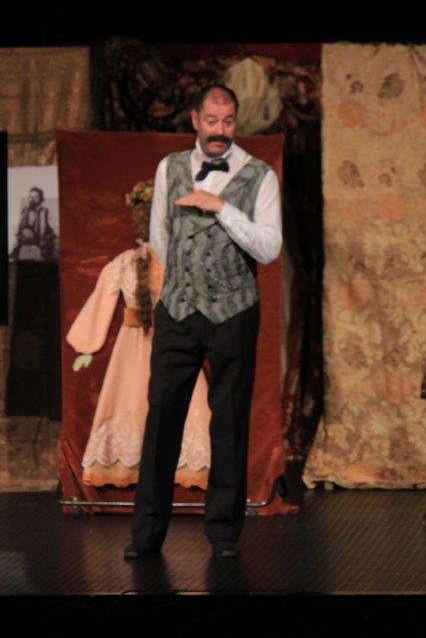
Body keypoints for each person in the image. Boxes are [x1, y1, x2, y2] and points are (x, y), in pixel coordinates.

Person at [124, 84, 282, 560]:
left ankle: (224, 534)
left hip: (233, 312)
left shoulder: (260, 176)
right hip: (178, 310)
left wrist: (223, 209)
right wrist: (181, 286)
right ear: (195, 119)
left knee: (229, 421)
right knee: (162, 419)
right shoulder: (169, 168)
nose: (220, 130)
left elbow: (269, 248)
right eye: (212, 121)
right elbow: (160, 237)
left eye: (228, 121)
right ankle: (147, 533)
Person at [66, 180, 211, 490]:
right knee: (134, 398)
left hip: (173, 343)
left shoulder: (179, 262)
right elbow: (102, 302)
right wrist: (87, 345)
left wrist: (87, 343)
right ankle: (128, 463)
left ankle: (182, 463)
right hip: (144, 344)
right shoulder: (128, 263)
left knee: (179, 402)